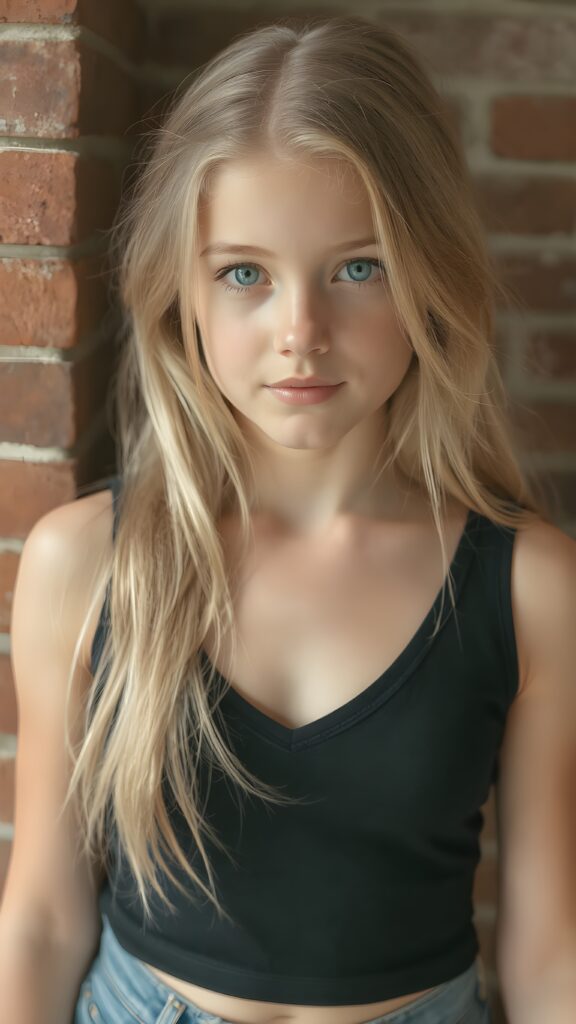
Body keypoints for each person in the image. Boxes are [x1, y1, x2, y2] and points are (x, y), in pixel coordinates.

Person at [1, 13, 575, 1024]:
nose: (300, 333)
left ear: (429, 277)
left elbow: (548, 955)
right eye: (245, 274)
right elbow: (45, 916)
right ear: (182, 292)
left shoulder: (532, 588)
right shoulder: (87, 563)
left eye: (360, 267)